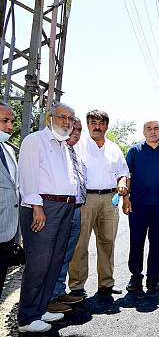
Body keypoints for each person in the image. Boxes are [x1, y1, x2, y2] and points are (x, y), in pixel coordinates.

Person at [17, 103, 78, 333]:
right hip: (43, 207)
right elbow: (28, 175)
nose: (66, 121)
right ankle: (27, 317)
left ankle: (41, 308)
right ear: (49, 118)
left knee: (54, 260)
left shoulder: (64, 145)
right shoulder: (35, 141)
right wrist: (36, 206)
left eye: (70, 119)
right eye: (62, 117)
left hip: (64, 207)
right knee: (39, 262)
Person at [69, 110, 129, 298]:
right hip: (85, 199)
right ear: (88, 125)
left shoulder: (114, 148)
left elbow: (123, 172)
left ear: (107, 126)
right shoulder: (78, 145)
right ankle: (77, 287)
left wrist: (121, 183)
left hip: (110, 199)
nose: (97, 126)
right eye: (93, 122)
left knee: (107, 242)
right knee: (80, 243)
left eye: (101, 123)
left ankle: (106, 284)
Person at [123, 121, 159, 292]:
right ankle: (135, 278)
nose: (153, 132)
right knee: (136, 242)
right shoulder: (135, 151)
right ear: (143, 132)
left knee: (157, 243)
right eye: (149, 129)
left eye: (156, 129)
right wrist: (126, 198)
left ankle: (154, 279)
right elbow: (127, 175)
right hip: (138, 205)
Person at [47, 118, 85, 313]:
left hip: (75, 208)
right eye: (73, 129)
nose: (76, 133)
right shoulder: (55, 149)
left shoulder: (75, 151)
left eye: (79, 130)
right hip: (58, 209)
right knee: (53, 254)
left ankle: (58, 291)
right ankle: (48, 298)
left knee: (66, 253)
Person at [0, 102, 19, 299]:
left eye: (12, 121)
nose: (10, 126)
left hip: (7, 232)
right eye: (5, 121)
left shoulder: (8, 150)